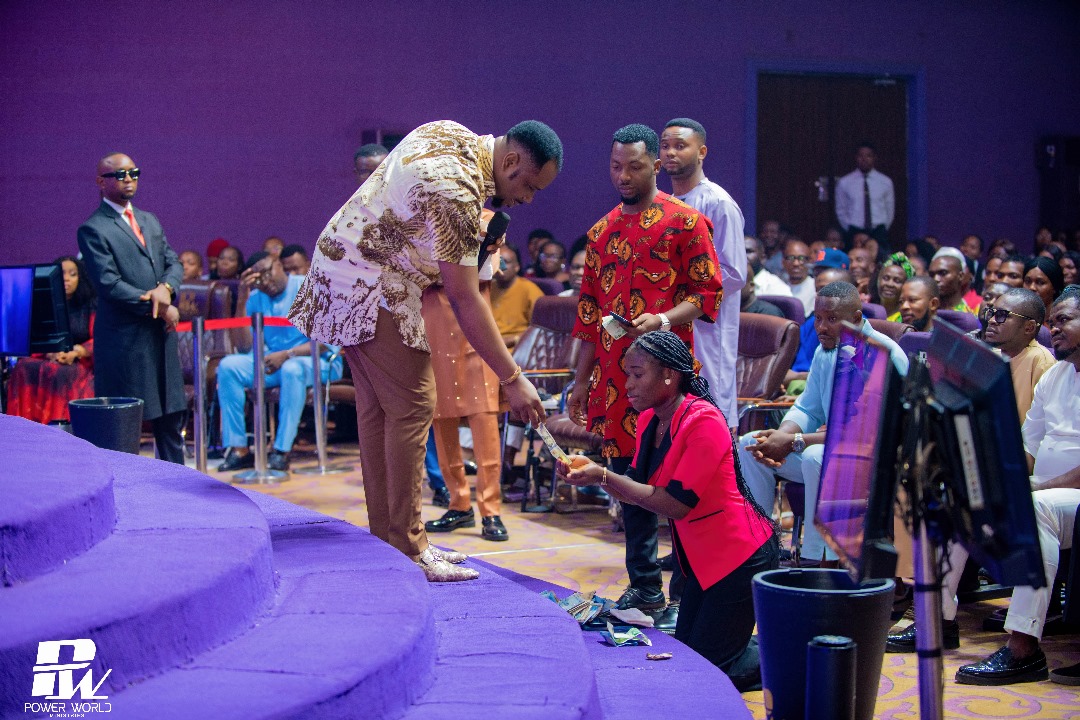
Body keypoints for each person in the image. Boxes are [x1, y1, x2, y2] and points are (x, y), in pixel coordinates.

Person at [289, 119, 561, 582]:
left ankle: (388, 540)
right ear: (511, 161)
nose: (528, 199)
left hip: (344, 267)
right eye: (530, 186)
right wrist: (513, 379)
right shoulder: (458, 189)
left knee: (381, 411)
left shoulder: (450, 132)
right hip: (371, 283)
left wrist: (476, 248)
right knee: (415, 405)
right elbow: (464, 296)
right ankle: (411, 547)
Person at [557, 331, 778, 691]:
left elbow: (674, 504)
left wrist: (603, 475)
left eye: (637, 374)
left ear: (669, 376)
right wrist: (592, 473)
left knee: (712, 672)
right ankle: (752, 640)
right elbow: (635, 491)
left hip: (740, 556)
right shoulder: (650, 419)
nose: (628, 385)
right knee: (692, 657)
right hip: (704, 559)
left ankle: (790, 652)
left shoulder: (704, 421)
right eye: (627, 374)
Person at [568, 123, 722, 613]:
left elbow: (707, 294)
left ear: (655, 165)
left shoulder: (687, 223)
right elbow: (588, 314)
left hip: (668, 377)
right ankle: (646, 585)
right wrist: (579, 381)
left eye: (634, 167)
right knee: (625, 477)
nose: (623, 176)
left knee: (679, 484)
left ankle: (692, 591)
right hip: (616, 381)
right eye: (616, 167)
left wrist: (663, 319)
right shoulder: (601, 232)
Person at [904, 286, 1080, 685]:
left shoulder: (1043, 367)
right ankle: (937, 621)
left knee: (1035, 509)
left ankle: (1023, 648)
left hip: (1065, 498)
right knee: (960, 494)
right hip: (1043, 488)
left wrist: (1031, 488)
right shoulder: (1056, 377)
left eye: (1064, 320)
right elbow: (1028, 448)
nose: (1055, 328)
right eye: (1053, 322)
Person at [738, 282, 909, 566]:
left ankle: (817, 559)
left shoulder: (882, 355)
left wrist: (796, 442)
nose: (821, 327)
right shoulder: (826, 350)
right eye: (818, 318)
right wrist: (780, 437)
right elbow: (808, 407)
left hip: (877, 462)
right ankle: (759, 549)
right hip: (835, 453)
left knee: (816, 457)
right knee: (751, 445)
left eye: (832, 319)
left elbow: (864, 433)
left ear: (856, 318)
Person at [76, 152, 187, 464]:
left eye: (134, 173)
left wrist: (166, 289)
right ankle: (125, 490)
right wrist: (161, 307)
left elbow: (174, 263)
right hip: (125, 342)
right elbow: (109, 284)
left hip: (160, 338)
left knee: (170, 421)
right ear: (101, 182)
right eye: (120, 174)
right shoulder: (93, 228)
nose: (129, 179)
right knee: (124, 429)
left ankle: (180, 488)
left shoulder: (149, 220)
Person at [423, 213, 508, 542]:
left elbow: (486, 271)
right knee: (441, 420)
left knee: (484, 422)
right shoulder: (423, 220)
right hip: (434, 329)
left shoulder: (486, 219)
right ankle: (458, 504)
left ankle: (491, 510)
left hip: (475, 334)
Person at [217, 252, 342, 472]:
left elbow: (327, 340)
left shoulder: (309, 286)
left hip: (319, 361)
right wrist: (243, 299)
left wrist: (287, 354)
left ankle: (281, 450)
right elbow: (244, 347)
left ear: (278, 263)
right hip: (276, 363)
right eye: (257, 278)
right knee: (228, 366)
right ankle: (239, 449)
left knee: (292, 369)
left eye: (267, 272)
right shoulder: (256, 297)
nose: (265, 281)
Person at [661, 117, 747, 432]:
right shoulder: (662, 204)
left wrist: (682, 293)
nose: (671, 152)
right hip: (669, 323)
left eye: (680, 145)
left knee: (708, 418)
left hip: (707, 328)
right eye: (665, 146)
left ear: (702, 152)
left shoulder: (718, 203)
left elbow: (734, 273)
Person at [6, 257, 96, 423]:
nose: (66, 279)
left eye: (72, 274)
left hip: (80, 360)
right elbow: (36, 337)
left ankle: (58, 427)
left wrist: (76, 352)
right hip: (48, 356)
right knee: (23, 367)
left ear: (80, 278)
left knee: (61, 373)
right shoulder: (43, 304)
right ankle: (22, 426)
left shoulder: (91, 306)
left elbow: (99, 340)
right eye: (62, 274)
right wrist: (49, 352)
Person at [983, 288, 1056, 423]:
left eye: (1002, 315)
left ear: (1029, 327)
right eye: (992, 313)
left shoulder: (1041, 362)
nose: (992, 320)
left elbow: (1045, 424)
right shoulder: (993, 355)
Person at [835, 143, 894, 249]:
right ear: (856, 157)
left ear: (874, 158)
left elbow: (889, 209)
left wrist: (883, 227)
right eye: (861, 156)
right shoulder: (845, 182)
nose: (864, 159)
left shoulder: (885, 182)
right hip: (854, 229)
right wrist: (849, 227)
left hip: (878, 231)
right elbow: (841, 210)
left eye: (868, 156)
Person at [491, 245, 544, 348]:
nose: (500, 266)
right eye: (497, 261)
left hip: (515, 348)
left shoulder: (529, 290)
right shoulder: (487, 288)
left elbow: (541, 330)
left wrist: (513, 339)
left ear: (517, 267)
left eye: (506, 262)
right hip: (487, 345)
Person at [929, 247, 976, 313]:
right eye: (931, 275)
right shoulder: (923, 312)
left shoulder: (972, 314)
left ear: (960, 276)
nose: (935, 279)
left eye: (943, 273)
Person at [875, 251, 916, 319]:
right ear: (878, 280)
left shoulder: (906, 319)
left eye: (897, 281)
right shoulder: (868, 312)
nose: (890, 284)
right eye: (886, 278)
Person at [782, 238, 816, 317]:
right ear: (783, 262)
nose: (796, 263)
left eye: (802, 258)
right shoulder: (777, 286)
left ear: (809, 262)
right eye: (791, 258)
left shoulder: (816, 288)